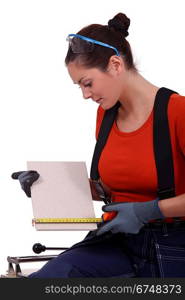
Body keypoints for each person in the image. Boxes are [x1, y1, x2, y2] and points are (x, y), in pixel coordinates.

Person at [12, 13, 185, 278]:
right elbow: (110, 188)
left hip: (171, 248)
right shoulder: (106, 115)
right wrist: (46, 186)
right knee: (46, 281)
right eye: (79, 86)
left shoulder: (177, 112)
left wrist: (150, 210)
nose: (85, 95)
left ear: (115, 65)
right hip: (116, 242)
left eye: (87, 83)